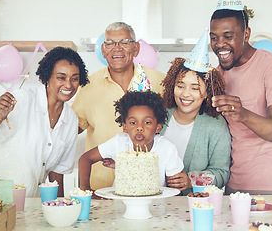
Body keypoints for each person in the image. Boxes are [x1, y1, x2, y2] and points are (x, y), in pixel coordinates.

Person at [0, 47, 89, 197]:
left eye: (74, 78)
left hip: (30, 202)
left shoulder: (71, 119)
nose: (68, 85)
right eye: (61, 77)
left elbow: (57, 173)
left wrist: (58, 209)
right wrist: (0, 115)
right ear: (47, 77)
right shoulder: (22, 99)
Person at [209, 8, 272, 194]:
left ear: (246, 34)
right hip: (234, 185)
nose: (220, 44)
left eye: (228, 36)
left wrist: (243, 114)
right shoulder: (217, 75)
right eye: (214, 38)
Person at [71, 22, 165, 190]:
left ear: (136, 48)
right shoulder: (88, 86)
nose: (117, 48)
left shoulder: (159, 82)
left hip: (147, 186)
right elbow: (70, 129)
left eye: (124, 42)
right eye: (110, 43)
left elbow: (179, 122)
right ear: (103, 50)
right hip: (100, 188)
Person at [79, 91, 184, 198]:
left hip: (155, 206)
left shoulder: (167, 148)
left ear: (158, 127)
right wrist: (86, 189)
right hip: (120, 205)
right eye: (133, 123)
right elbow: (85, 158)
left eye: (147, 122)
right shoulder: (118, 142)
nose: (139, 127)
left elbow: (176, 188)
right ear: (125, 127)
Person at [160, 50, 231, 195]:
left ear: (207, 93)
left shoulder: (216, 126)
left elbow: (222, 173)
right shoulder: (159, 115)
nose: (185, 94)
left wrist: (191, 180)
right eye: (180, 86)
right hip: (153, 203)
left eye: (195, 88)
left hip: (192, 204)